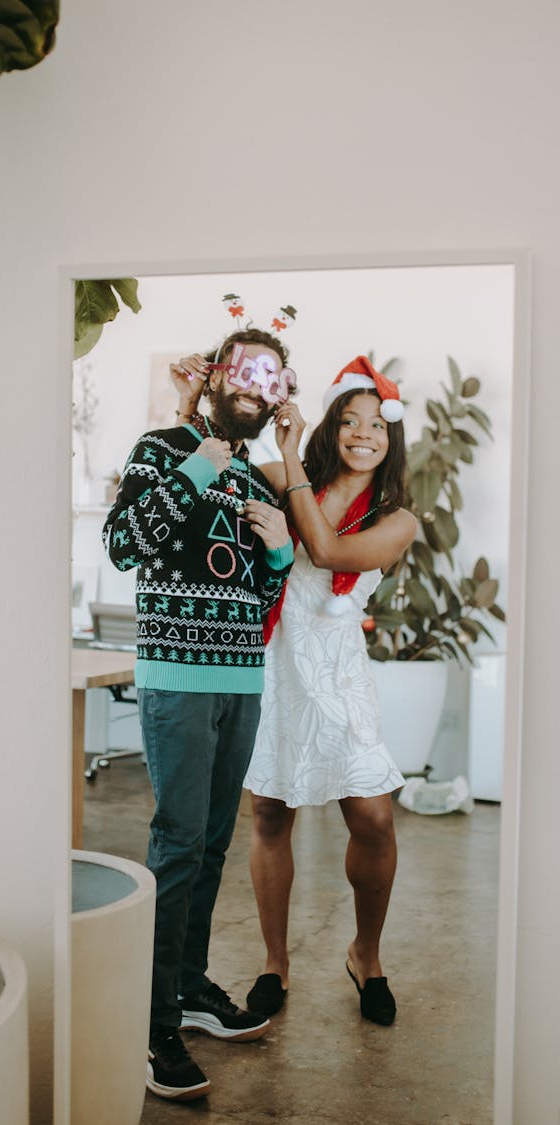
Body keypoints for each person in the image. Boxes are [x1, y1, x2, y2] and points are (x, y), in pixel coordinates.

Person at [103, 327, 295, 1102]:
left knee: (214, 842)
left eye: (274, 378)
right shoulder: (161, 447)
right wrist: (193, 467)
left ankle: (186, 988)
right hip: (177, 679)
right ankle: (151, 1029)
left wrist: (280, 551)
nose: (259, 386)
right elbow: (123, 544)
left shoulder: (257, 476)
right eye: (248, 371)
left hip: (240, 680)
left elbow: (259, 592)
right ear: (217, 375)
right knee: (178, 842)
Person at [240, 356, 418, 1027]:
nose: (363, 433)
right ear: (333, 425)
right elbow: (222, 476)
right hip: (275, 664)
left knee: (372, 816)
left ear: (392, 436)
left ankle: (365, 954)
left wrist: (288, 464)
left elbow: (324, 552)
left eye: (377, 423)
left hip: (340, 674)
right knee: (268, 815)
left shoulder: (399, 519)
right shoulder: (290, 478)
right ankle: (273, 963)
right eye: (350, 419)